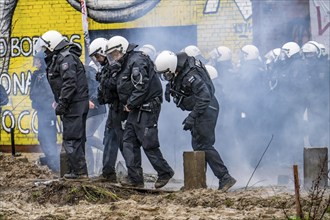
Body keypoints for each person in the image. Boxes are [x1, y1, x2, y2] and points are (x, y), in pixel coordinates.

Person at [154, 50, 236, 191]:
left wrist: (192, 117)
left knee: (204, 145)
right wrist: (170, 87)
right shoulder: (180, 67)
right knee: (198, 145)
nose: (165, 77)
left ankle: (225, 177)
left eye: (166, 74)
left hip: (207, 108)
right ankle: (198, 183)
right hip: (203, 108)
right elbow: (179, 80)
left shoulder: (191, 76)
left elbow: (204, 97)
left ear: (172, 68)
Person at [105, 35, 174, 188]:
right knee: (128, 141)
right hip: (136, 108)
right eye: (111, 55)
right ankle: (135, 179)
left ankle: (165, 172)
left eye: (115, 53)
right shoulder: (125, 63)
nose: (114, 57)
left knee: (148, 142)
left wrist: (130, 103)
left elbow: (141, 86)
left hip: (147, 107)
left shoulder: (137, 61)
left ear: (122, 49)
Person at [35, 30, 89, 179]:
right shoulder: (60, 58)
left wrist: (63, 103)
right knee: (76, 138)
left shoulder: (65, 59)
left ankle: (79, 173)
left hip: (74, 105)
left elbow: (69, 84)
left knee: (72, 138)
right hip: (74, 104)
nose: (44, 51)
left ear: (52, 45)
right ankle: (77, 171)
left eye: (46, 48)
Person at [89, 37, 124, 182]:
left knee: (124, 142)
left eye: (98, 56)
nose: (97, 59)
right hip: (113, 109)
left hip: (122, 109)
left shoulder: (117, 67)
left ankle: (134, 175)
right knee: (109, 140)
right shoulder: (107, 68)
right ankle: (108, 173)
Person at [29, 51, 59, 172]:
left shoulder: (48, 74)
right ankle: (51, 161)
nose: (35, 62)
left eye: (38, 60)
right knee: (42, 137)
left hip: (48, 111)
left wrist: (52, 103)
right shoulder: (36, 75)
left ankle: (55, 165)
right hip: (41, 111)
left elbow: (52, 92)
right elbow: (33, 93)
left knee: (50, 137)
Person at [84, 60, 107, 176]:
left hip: (96, 109)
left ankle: (109, 151)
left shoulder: (88, 72)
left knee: (87, 137)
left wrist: (91, 100)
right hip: (89, 111)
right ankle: (90, 172)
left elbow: (98, 88)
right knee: (85, 141)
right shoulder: (80, 73)